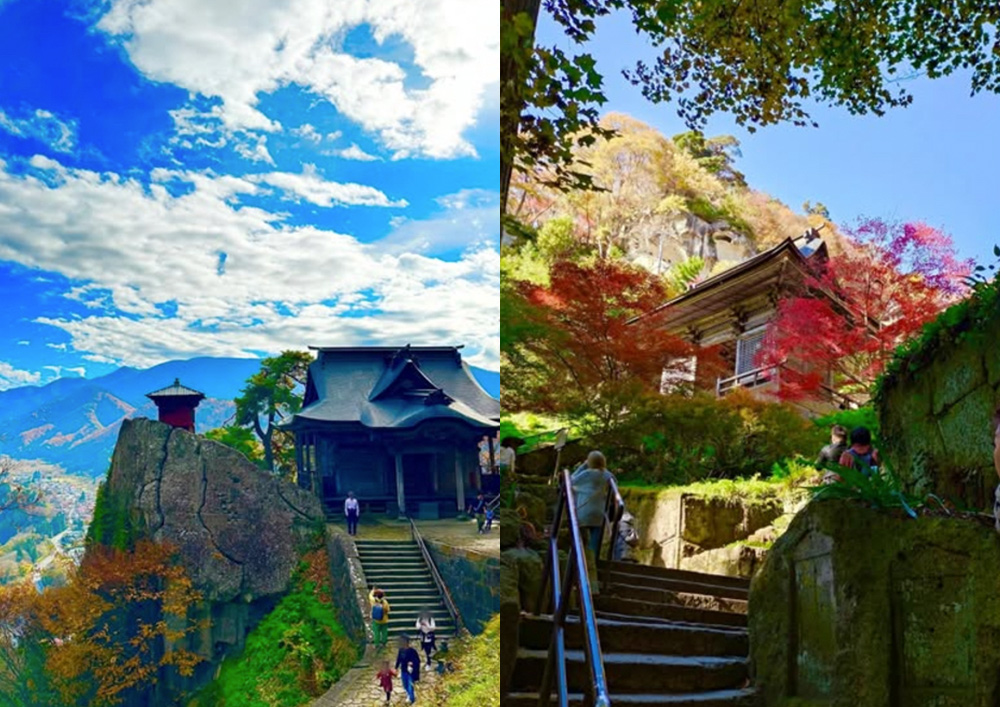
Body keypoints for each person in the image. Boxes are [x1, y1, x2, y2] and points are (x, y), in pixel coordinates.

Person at [570, 451, 615, 556]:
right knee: (595, 541)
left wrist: (583, 466)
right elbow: (614, 485)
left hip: (583, 511)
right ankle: (592, 561)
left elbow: (571, 480)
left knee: (580, 539)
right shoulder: (607, 475)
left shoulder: (586, 474)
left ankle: (579, 559)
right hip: (599, 512)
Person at [395, 635, 421, 704]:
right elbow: (398, 659)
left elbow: (417, 661)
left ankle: (411, 699)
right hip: (403, 670)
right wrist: (396, 668)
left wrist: (412, 663)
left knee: (410, 685)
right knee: (405, 685)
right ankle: (409, 695)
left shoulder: (412, 651)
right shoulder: (401, 650)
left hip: (411, 672)